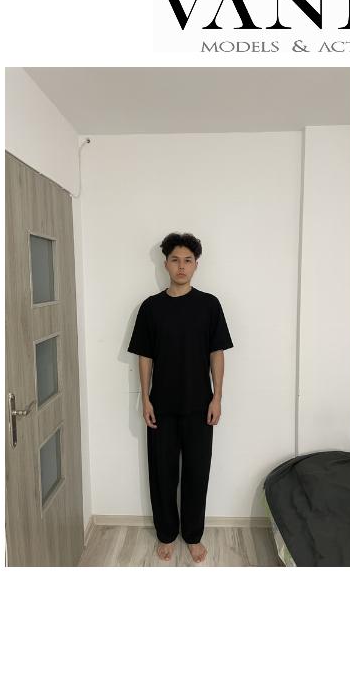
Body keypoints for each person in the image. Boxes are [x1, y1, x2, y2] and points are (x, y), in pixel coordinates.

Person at [128, 232, 233, 564]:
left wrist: (217, 397)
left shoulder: (209, 305)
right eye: (175, 259)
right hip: (161, 406)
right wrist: (145, 399)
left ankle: (193, 535)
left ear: (196, 265)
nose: (181, 266)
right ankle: (165, 533)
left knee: (196, 473)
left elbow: (217, 353)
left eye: (188, 260)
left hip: (200, 405)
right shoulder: (151, 308)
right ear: (166, 264)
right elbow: (145, 356)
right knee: (162, 473)